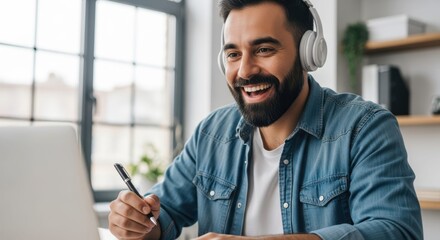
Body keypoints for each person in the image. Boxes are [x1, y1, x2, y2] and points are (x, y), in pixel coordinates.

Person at [108, 0, 423, 239]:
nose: (245, 71)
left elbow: (396, 231)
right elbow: (164, 214)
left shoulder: (365, 127)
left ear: (307, 54)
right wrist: (138, 223)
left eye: (263, 49)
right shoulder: (212, 133)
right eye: (233, 54)